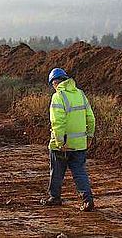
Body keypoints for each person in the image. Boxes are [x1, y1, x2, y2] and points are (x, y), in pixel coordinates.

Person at [41, 68, 96, 212]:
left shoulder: (58, 96)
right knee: (79, 172)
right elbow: (90, 118)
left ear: (55, 82)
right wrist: (89, 136)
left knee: (57, 172)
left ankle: (55, 197)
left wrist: (60, 143)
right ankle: (87, 200)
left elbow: (58, 123)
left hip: (63, 145)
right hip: (79, 144)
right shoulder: (80, 94)